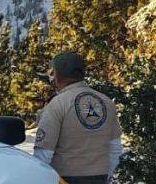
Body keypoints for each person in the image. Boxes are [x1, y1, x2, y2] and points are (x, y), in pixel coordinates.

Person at [32, 52, 122, 184]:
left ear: (57, 75)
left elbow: (43, 153)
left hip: (64, 178)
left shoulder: (57, 104)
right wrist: (107, 176)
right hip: (100, 177)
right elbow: (115, 149)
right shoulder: (106, 102)